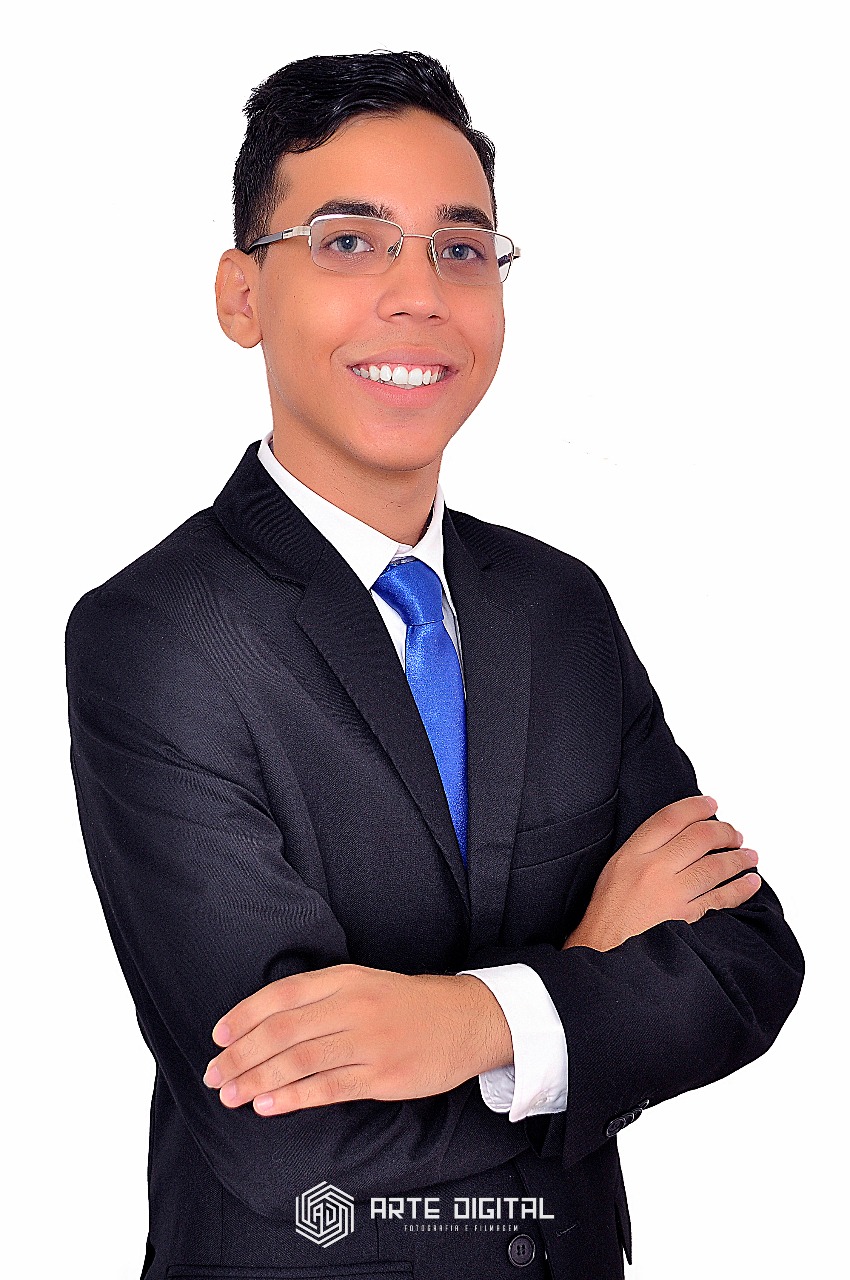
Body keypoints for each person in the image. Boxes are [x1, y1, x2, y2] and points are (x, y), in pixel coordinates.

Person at [64, 50, 804, 1280]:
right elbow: (289, 1138)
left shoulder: (560, 607)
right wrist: (581, 982)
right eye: (350, 241)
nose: (418, 293)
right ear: (242, 295)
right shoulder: (159, 632)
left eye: (460, 248)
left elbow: (744, 966)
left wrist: (469, 1019)